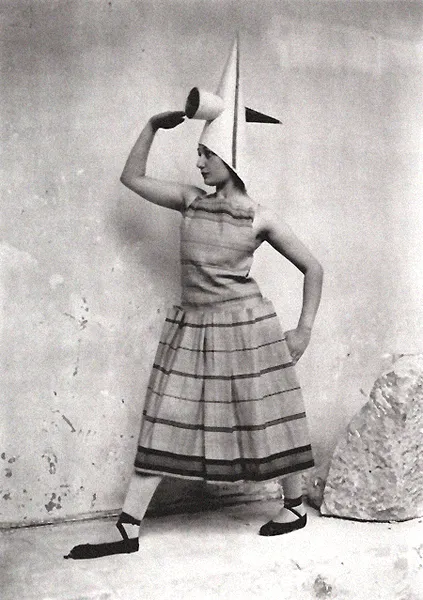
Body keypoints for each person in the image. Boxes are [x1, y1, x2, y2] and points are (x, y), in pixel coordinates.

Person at [64, 108, 323, 560]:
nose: (199, 163)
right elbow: (132, 177)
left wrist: (303, 330)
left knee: (271, 415)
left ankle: (295, 506)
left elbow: (313, 268)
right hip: (195, 327)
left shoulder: (260, 217)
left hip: (247, 329)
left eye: (207, 154)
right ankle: (128, 527)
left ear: (231, 158)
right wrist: (150, 126)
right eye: (198, 153)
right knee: (165, 418)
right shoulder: (190, 201)